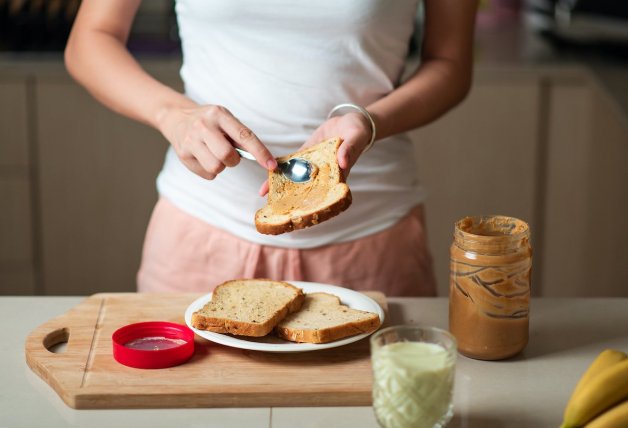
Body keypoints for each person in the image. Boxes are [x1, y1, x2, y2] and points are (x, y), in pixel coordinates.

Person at [65, 0, 478, 296]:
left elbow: (450, 62)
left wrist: (369, 122)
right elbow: (90, 40)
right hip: (201, 232)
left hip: (372, 237)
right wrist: (174, 115)